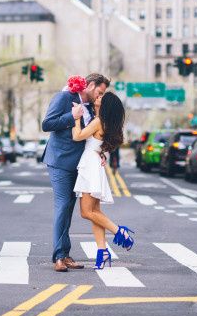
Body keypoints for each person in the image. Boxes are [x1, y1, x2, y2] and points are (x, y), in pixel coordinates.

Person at [42, 73, 110, 273]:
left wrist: (101, 152)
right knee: (63, 206)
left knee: (69, 209)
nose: (100, 97)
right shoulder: (64, 98)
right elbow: (47, 124)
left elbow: (89, 137)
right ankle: (58, 257)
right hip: (60, 162)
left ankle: (65, 253)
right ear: (89, 86)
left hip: (79, 165)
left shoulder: (90, 107)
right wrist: (71, 116)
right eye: (99, 92)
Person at [72, 92, 133, 270]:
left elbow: (78, 136)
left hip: (90, 166)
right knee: (94, 212)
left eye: (101, 98)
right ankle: (102, 251)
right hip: (93, 163)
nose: (97, 98)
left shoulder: (98, 121)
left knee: (86, 212)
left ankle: (119, 231)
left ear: (105, 105)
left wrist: (76, 118)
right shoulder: (103, 122)